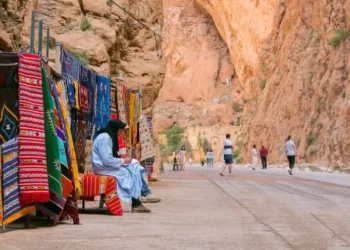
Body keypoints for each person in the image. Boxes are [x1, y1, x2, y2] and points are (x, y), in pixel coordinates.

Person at [92, 119, 161, 213]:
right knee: (127, 173)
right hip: (102, 168)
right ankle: (138, 200)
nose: (121, 134)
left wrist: (123, 160)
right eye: (120, 131)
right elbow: (106, 160)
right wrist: (123, 161)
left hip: (107, 166)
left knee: (136, 167)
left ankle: (143, 194)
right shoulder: (105, 138)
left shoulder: (107, 137)